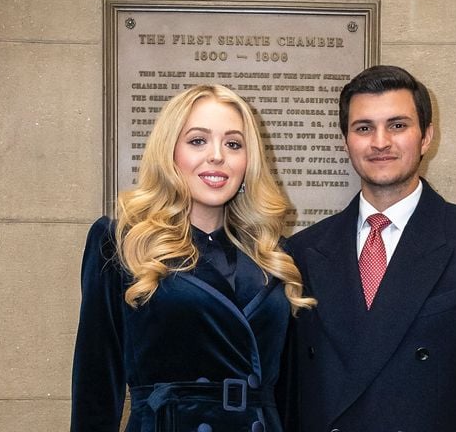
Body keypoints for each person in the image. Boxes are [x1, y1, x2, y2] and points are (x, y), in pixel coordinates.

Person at [283, 65, 456, 431]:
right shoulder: (302, 251)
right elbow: (289, 398)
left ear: (426, 137)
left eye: (398, 125)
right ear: (346, 141)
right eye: (364, 128)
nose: (380, 142)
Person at [71, 84, 315, 432]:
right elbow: (95, 388)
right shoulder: (122, 241)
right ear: (169, 152)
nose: (217, 156)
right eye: (198, 140)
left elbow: (289, 395)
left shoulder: (274, 254)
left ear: (248, 162)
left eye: (233, 144)